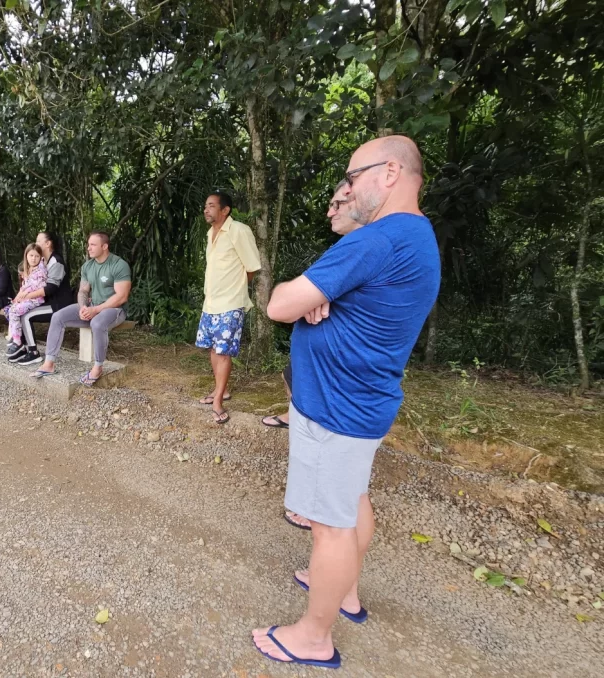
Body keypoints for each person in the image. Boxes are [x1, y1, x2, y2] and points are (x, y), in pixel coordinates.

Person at [251, 136, 440, 669]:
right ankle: (346, 592)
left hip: (336, 407)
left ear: (390, 173)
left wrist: (309, 297)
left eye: (353, 177)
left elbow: (279, 304)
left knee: (329, 526)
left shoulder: (377, 240)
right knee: (353, 501)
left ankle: (313, 636)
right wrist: (328, 296)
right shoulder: (417, 236)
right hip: (366, 401)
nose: (347, 188)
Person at [264, 180, 361, 429]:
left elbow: (279, 307)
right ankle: (293, 414)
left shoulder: (362, 245)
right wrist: (317, 296)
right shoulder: (348, 247)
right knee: (289, 374)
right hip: (316, 366)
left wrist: (308, 297)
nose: (330, 212)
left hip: (333, 382)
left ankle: (297, 418)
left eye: (337, 204)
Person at [195, 191, 262, 425]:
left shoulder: (239, 231)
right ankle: (220, 391)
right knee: (213, 349)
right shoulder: (210, 233)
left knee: (223, 352)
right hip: (210, 303)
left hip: (231, 303)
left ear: (225, 210)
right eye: (205, 205)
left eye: (212, 205)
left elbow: (252, 267)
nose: (206, 209)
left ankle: (218, 404)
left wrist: (236, 290)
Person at [30, 232, 131, 386]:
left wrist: (96, 310)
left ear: (104, 246)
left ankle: (98, 367)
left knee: (97, 324)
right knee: (58, 317)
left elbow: (122, 297)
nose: (88, 248)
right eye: (88, 244)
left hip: (114, 310)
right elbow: (83, 291)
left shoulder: (118, 265)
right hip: (92, 306)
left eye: (93, 245)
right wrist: (83, 307)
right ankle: (49, 364)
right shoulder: (88, 266)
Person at [11, 231, 73, 366]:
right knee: (20, 311)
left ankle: (33, 353)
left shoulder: (56, 261)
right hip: (48, 302)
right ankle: (22, 347)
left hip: (59, 305)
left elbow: (50, 288)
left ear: (48, 244)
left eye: (38, 241)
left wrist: (26, 296)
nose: (36, 243)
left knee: (26, 316)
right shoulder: (43, 261)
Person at [5, 244, 48, 354]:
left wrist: (23, 296)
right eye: (31, 255)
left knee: (14, 311)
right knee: (10, 308)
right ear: (26, 256)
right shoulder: (29, 270)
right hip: (27, 299)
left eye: (37, 256)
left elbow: (34, 288)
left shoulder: (41, 270)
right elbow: (24, 287)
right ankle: (15, 336)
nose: (34, 259)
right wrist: (17, 298)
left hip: (35, 299)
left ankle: (17, 341)